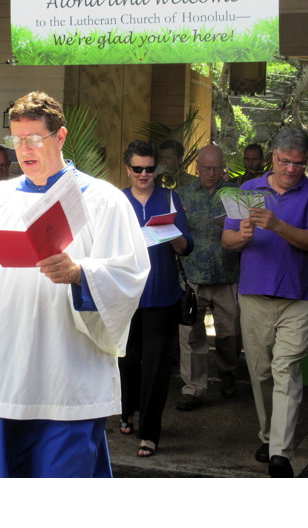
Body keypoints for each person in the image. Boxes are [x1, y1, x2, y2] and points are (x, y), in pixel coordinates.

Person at [0, 91, 150, 477]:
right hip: (5, 374)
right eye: (17, 139)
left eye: (34, 139)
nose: (24, 149)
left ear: (60, 137)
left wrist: (80, 273)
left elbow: (129, 275)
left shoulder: (102, 200)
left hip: (68, 375)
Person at [221, 128, 308, 478]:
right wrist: (242, 236)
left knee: (286, 370)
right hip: (254, 294)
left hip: (298, 297)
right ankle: (268, 436)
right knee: (261, 371)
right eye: (286, 162)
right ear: (274, 158)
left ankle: (281, 452)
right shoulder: (249, 191)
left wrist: (279, 225)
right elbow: (228, 239)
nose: (292, 169)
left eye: (299, 164)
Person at [118, 140, 193, 458]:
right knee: (127, 361)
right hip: (126, 296)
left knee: (157, 367)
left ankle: (149, 433)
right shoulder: (117, 202)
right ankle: (127, 411)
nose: (144, 174)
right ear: (128, 169)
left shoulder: (170, 198)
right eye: (138, 169)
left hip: (162, 294)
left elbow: (186, 247)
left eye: (150, 168)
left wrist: (172, 233)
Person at [175, 144, 241, 410]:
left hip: (228, 275)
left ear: (222, 167)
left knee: (230, 334)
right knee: (191, 335)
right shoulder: (183, 195)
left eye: (216, 168)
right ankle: (193, 389)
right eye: (206, 168)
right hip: (192, 276)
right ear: (197, 168)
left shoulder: (235, 195)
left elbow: (249, 231)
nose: (211, 173)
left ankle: (228, 372)